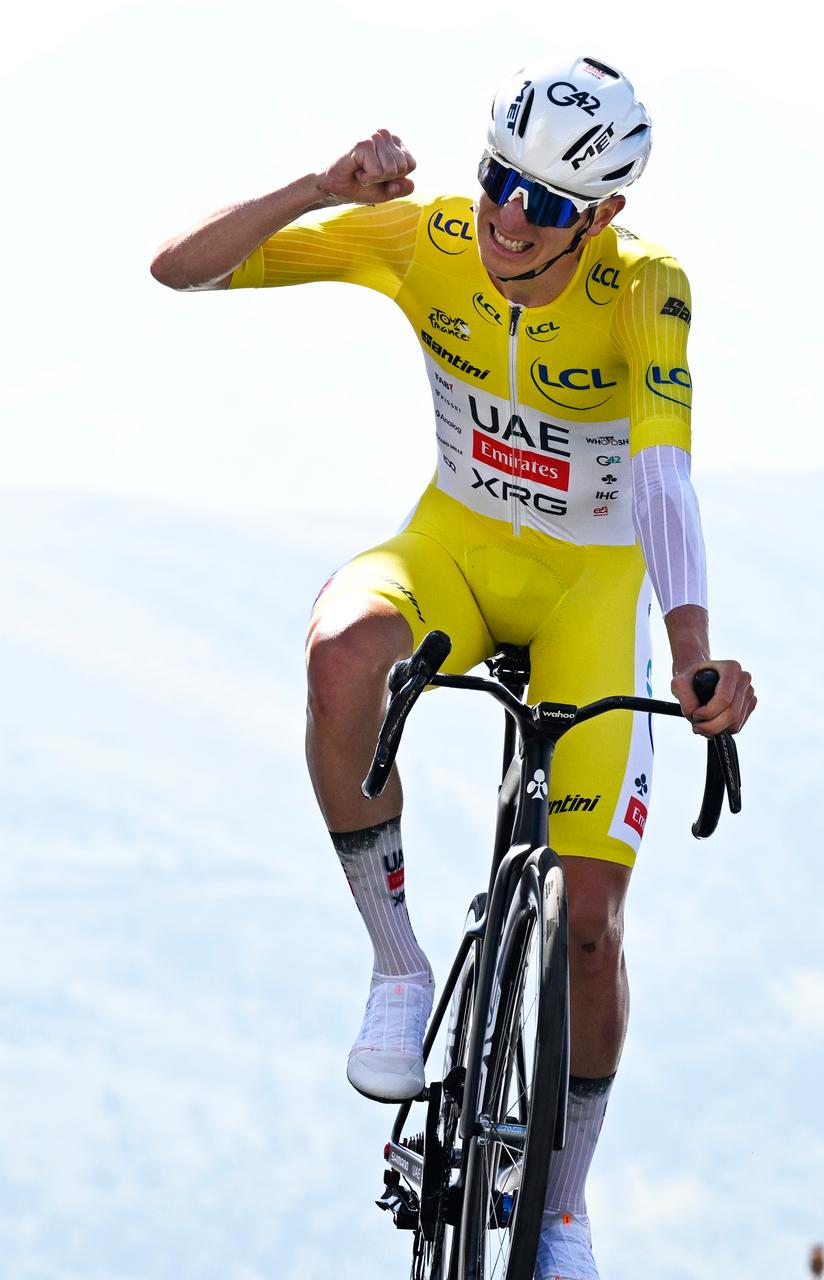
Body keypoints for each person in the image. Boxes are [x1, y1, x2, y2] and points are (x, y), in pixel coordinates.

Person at [150, 55, 757, 1280]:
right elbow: (180, 268)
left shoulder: (646, 288)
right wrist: (321, 187)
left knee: (592, 925)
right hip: (453, 558)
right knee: (340, 657)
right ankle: (398, 961)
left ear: (603, 214)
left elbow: (662, 472)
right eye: (497, 179)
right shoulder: (422, 238)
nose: (508, 218)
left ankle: (564, 1206)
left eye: (547, 203)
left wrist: (693, 652)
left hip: (589, 596)